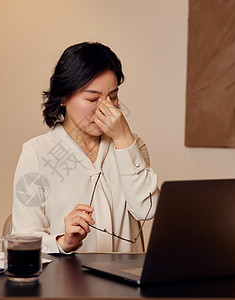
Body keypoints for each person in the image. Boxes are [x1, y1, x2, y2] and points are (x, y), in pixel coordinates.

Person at [12, 42, 159, 253]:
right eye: (92, 98)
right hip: (66, 282)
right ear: (63, 97)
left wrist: (124, 137)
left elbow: (147, 210)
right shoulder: (36, 153)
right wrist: (62, 242)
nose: (107, 108)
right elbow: (23, 240)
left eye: (113, 97)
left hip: (125, 283)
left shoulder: (131, 145)